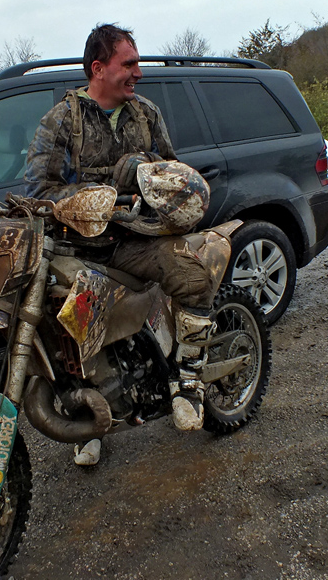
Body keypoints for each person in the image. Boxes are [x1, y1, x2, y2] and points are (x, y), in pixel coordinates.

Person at [25, 23, 220, 443]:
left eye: (137, 63)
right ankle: (89, 425)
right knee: (72, 332)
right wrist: (102, 196)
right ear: (98, 68)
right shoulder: (62, 120)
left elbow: (172, 170)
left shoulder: (145, 113)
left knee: (192, 277)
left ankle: (188, 382)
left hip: (139, 241)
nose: (138, 73)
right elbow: (40, 190)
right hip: (80, 246)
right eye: (128, 64)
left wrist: (148, 172)